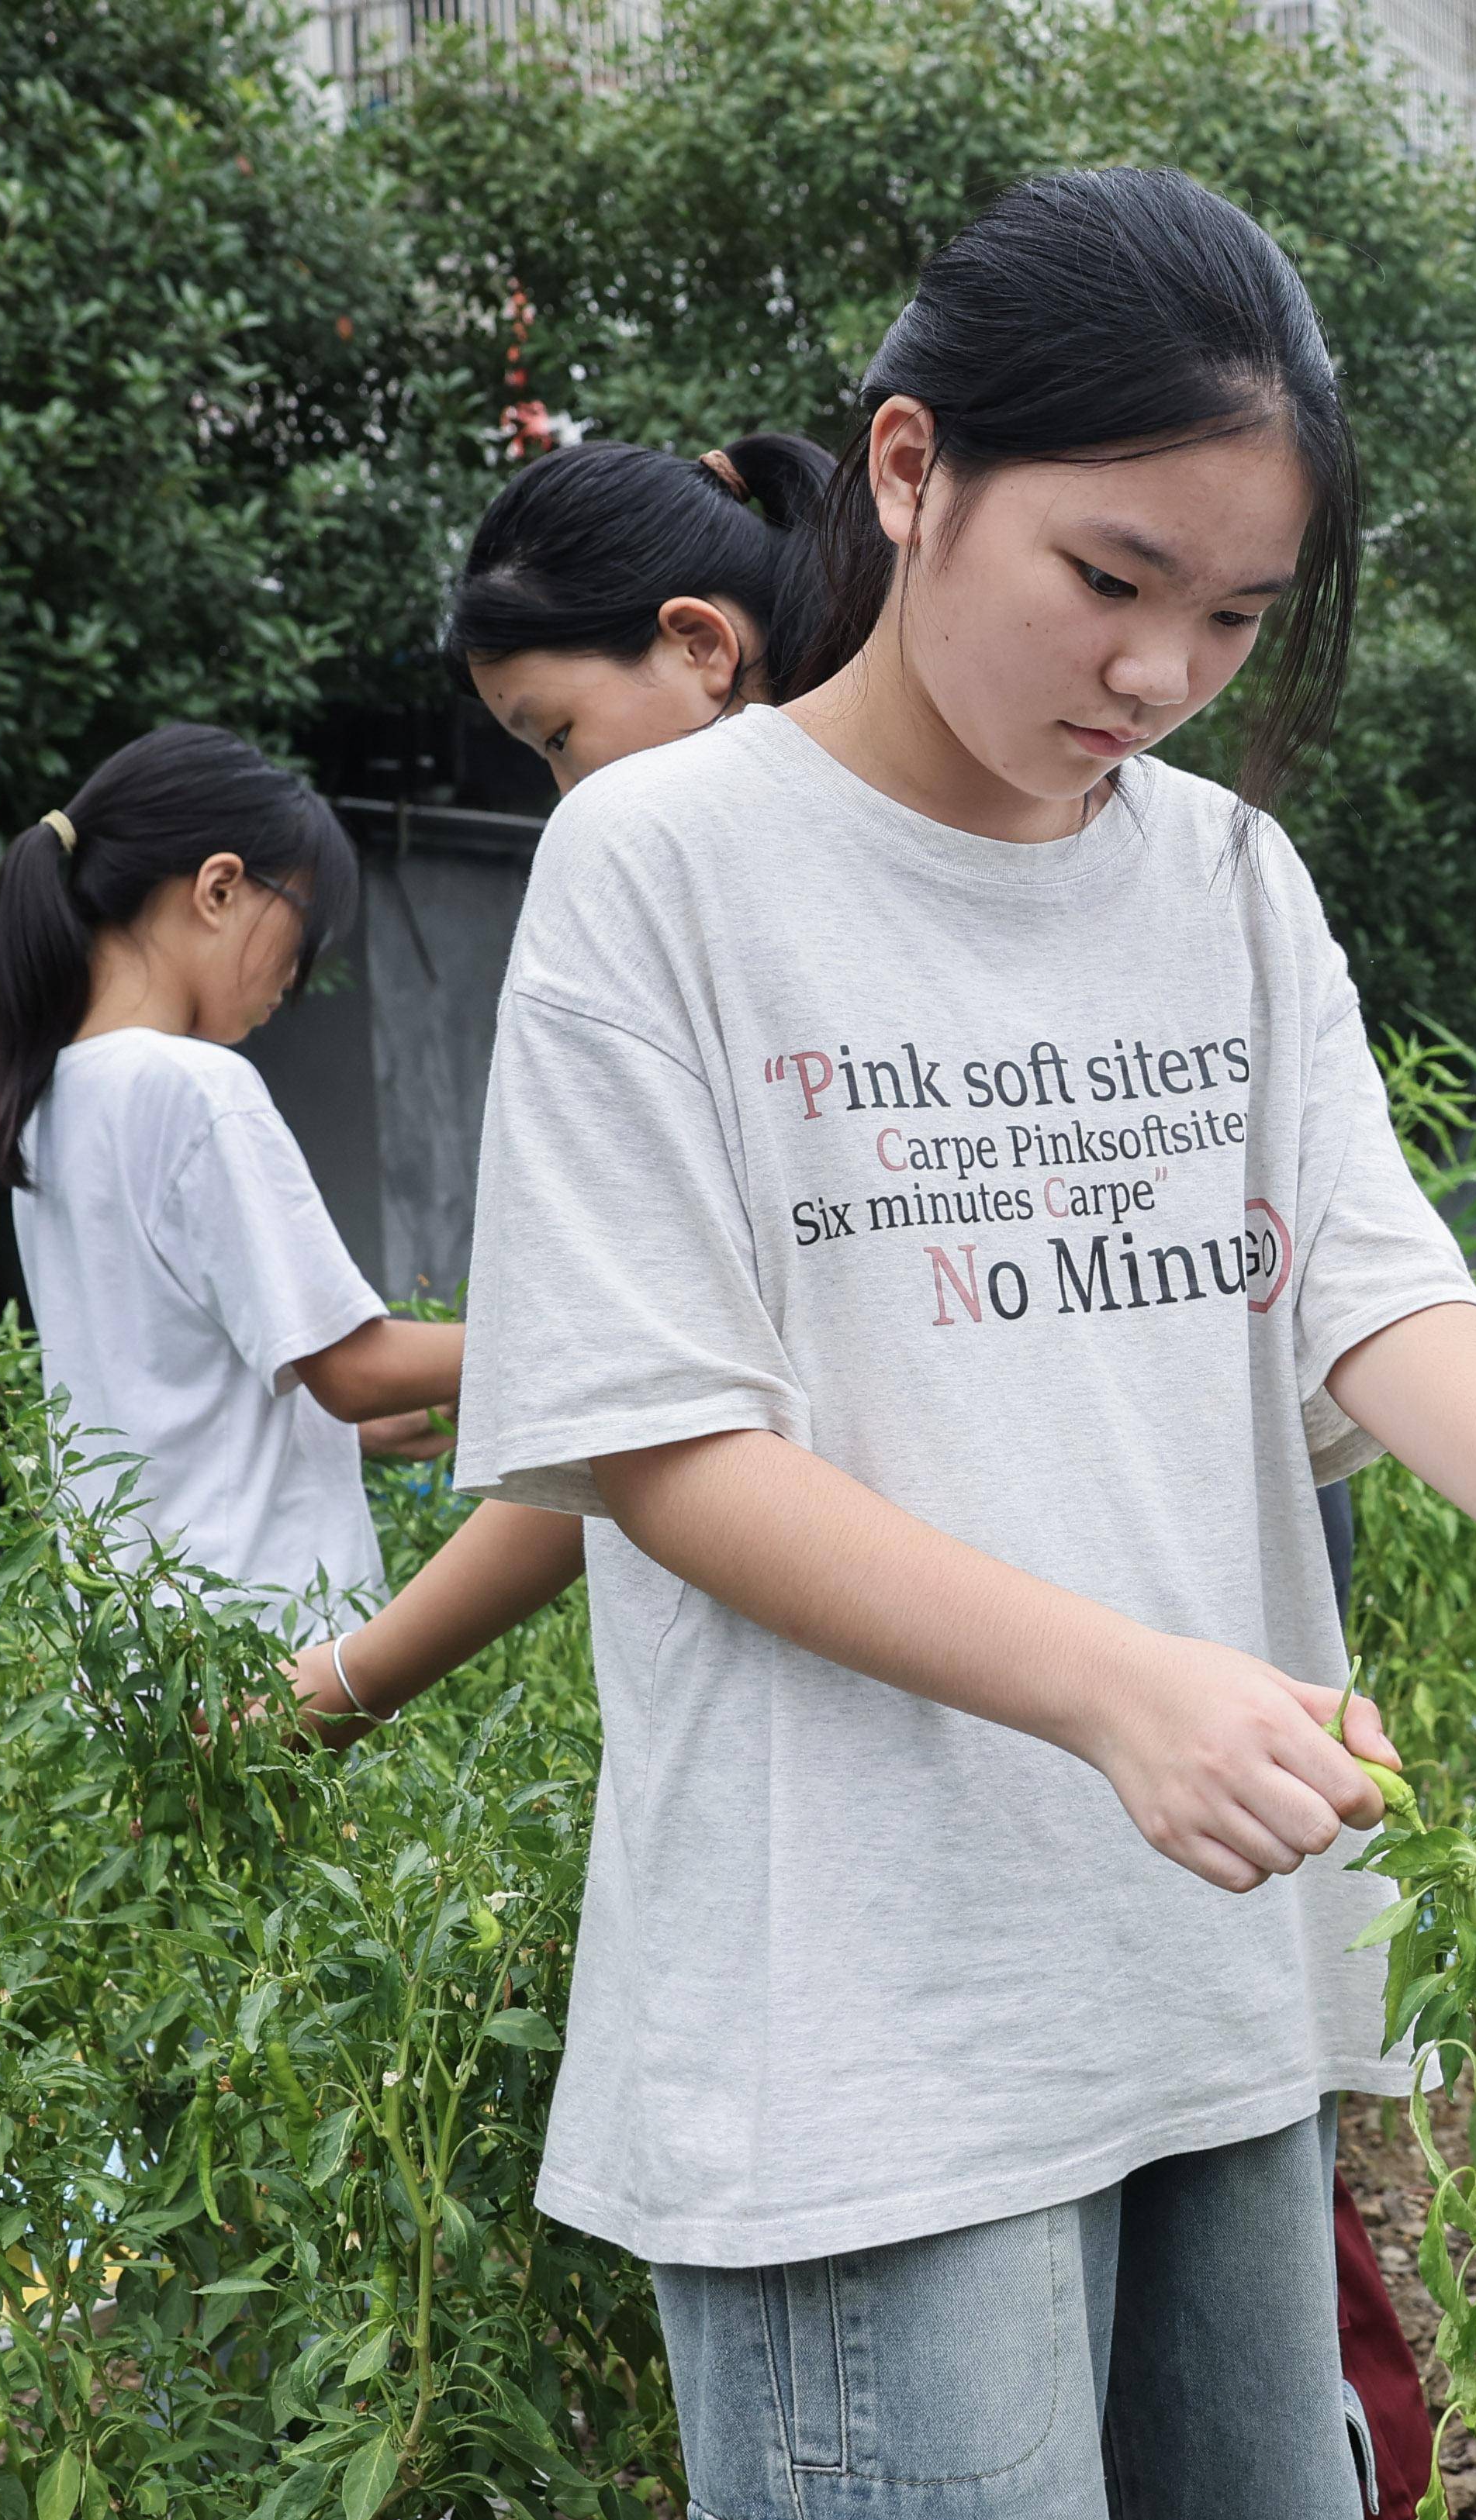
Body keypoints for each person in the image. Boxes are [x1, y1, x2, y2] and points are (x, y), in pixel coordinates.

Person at [445, 170, 1476, 2520]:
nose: (1155, 674)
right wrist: (1117, 1690)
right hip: (865, 2019)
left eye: (1234, 616)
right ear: (912, 475)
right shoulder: (672, 871)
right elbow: (658, 1440)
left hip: (1206, 1989)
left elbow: (1370, 1274)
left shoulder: (1215, 885)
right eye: (1107, 575)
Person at [271, 433, 848, 1735]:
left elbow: (634, 1404)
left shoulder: (708, 901)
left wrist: (339, 1690)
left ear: (705, 645)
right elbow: (647, 1412)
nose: (561, 796)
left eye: (556, 736)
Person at [0, 723, 459, 1631]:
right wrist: (567, 1342)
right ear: (219, 886)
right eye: (302, 921)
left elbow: (189, 1403)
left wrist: (398, 1418)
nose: (300, 970)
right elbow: (353, 1369)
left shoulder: (50, 1107)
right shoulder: (195, 1087)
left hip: (141, 1658)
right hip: (266, 1661)